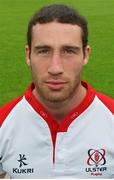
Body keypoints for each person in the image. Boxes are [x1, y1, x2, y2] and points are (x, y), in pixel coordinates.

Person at [0, 4, 114, 179]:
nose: (55, 68)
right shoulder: (3, 123)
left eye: (69, 51)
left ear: (86, 55)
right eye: (43, 51)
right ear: (28, 54)